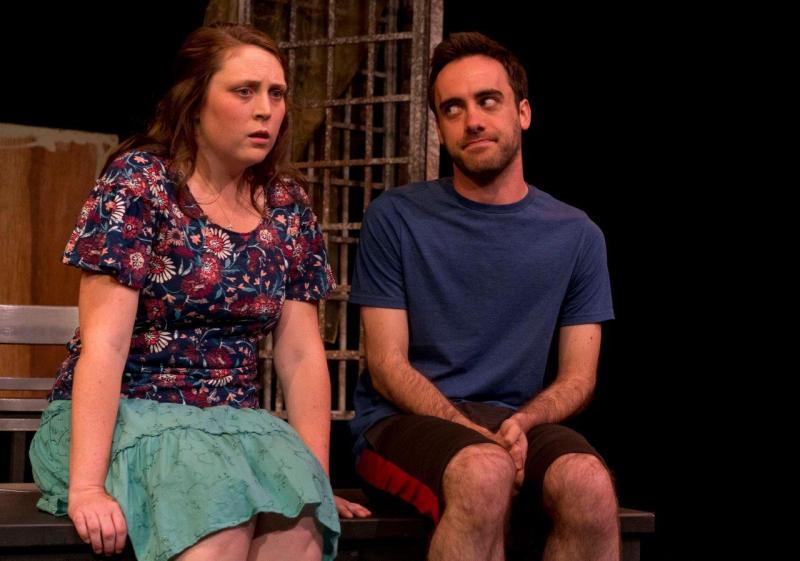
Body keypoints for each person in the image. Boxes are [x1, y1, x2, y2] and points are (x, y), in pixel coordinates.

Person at [29, 22, 368, 561]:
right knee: (220, 522)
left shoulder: (286, 203)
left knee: (299, 534)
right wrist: (87, 488)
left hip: (234, 432)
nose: (266, 110)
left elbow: (301, 355)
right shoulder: (140, 183)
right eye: (244, 91)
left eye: (276, 93)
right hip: (126, 418)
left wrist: (314, 479)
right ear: (194, 102)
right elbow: (105, 346)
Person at [349, 32, 619, 561]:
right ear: (441, 129)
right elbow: (385, 366)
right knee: (483, 470)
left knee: (589, 483)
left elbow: (579, 378)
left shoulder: (577, 234)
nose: (471, 119)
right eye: (453, 108)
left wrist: (523, 423)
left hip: (515, 420)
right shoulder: (396, 218)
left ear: (522, 112)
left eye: (487, 101)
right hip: (402, 423)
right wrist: (468, 429)